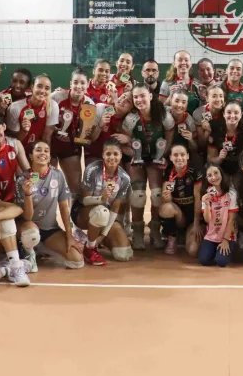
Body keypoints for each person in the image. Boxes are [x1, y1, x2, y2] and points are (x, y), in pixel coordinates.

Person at [15, 140, 84, 271]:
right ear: (30, 155)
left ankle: (41, 247)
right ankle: (28, 249)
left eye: (46, 151)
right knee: (32, 233)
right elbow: (28, 217)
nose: (42, 153)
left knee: (77, 261)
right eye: (38, 150)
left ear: (50, 156)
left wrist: (70, 236)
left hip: (50, 229)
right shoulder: (22, 179)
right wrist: (28, 194)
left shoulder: (57, 176)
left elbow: (64, 208)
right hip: (28, 226)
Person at [122, 84, 175, 250]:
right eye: (136, 97)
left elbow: (170, 135)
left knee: (157, 194)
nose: (139, 100)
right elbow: (124, 144)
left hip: (156, 158)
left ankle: (155, 230)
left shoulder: (163, 115)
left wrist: (162, 156)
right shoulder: (131, 118)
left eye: (142, 96)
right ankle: (137, 231)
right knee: (137, 194)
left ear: (150, 96)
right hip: (136, 158)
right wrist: (135, 156)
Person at [79, 139, 134, 265]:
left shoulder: (124, 178)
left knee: (123, 254)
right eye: (108, 154)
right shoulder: (92, 170)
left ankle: (99, 240)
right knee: (101, 212)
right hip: (84, 212)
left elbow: (115, 209)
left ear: (121, 155)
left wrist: (102, 236)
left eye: (116, 154)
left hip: (106, 214)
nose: (112, 157)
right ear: (103, 155)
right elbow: (84, 201)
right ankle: (90, 248)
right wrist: (101, 199)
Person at [51, 69, 99, 198]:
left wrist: (85, 136)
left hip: (71, 147)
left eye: (82, 83)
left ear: (88, 84)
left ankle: (73, 217)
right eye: (76, 82)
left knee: (76, 188)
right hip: (50, 145)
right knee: (48, 184)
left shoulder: (89, 104)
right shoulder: (56, 96)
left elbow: (88, 133)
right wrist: (55, 130)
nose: (79, 86)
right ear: (70, 83)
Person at [159, 143, 201, 255]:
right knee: (166, 208)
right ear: (171, 157)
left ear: (187, 156)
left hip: (194, 217)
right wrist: (166, 198)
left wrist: (197, 224)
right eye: (175, 155)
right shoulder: (168, 172)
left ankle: (187, 234)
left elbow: (198, 199)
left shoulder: (195, 171)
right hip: (180, 216)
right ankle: (172, 237)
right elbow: (165, 202)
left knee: (193, 251)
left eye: (182, 155)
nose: (179, 158)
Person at [197, 163, 238, 267]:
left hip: (227, 235)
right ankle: (214, 250)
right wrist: (206, 204)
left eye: (216, 173)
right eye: (209, 175)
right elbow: (207, 219)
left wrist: (225, 240)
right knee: (204, 261)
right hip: (211, 235)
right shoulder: (205, 195)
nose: (214, 177)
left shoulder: (231, 193)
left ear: (221, 173)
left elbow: (231, 220)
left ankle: (229, 248)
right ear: (206, 178)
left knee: (221, 262)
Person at [6, 74, 60, 152]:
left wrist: (46, 157)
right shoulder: (15, 108)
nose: (42, 91)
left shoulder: (53, 106)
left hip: (38, 151)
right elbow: (13, 141)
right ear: (32, 87)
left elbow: (46, 137)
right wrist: (24, 131)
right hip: (18, 150)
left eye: (47, 88)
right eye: (39, 86)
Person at [207, 101, 243, 178]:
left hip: (241, 170)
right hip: (221, 171)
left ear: (241, 115)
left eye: (236, 113)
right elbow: (210, 159)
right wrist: (219, 158)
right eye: (228, 112)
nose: (232, 116)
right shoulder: (216, 131)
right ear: (223, 114)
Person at [193, 84, 226, 153]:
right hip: (206, 150)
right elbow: (201, 145)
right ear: (207, 98)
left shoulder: (228, 111)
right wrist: (207, 131)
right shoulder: (198, 113)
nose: (218, 99)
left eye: (221, 96)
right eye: (214, 96)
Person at [168, 91, 199, 155]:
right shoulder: (164, 113)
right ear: (171, 101)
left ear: (187, 104)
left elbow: (196, 149)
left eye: (183, 102)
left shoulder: (190, 121)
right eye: (176, 101)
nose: (179, 105)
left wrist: (190, 139)